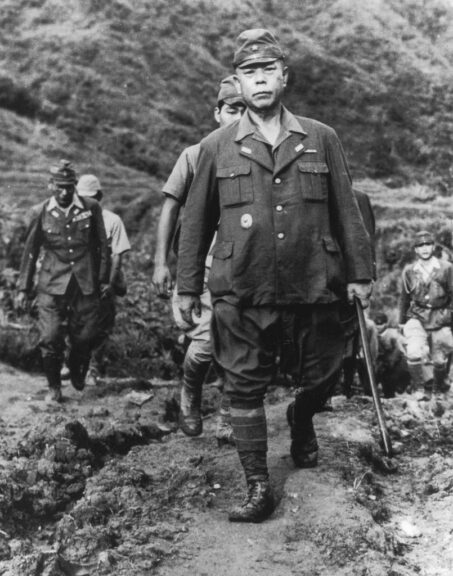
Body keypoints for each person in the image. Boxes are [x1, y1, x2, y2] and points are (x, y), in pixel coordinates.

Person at [176, 29, 373, 523]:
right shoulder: (215, 146)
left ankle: (301, 417)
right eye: (249, 73)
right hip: (242, 284)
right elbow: (196, 221)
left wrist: (360, 274)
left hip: (314, 280)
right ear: (237, 84)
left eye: (268, 71)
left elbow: (346, 209)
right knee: (241, 385)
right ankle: (257, 483)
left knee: (326, 370)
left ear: (284, 77)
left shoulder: (320, 137)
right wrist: (184, 286)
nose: (259, 80)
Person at [152, 76, 246, 443]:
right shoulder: (196, 154)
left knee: (243, 344)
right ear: (218, 113)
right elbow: (170, 207)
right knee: (207, 341)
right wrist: (161, 262)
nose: (240, 117)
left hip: (246, 266)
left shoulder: (259, 153)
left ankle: (229, 413)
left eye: (246, 109)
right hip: (204, 265)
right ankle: (190, 393)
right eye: (233, 109)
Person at [16, 160, 109, 402]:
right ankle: (54, 387)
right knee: (50, 336)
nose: (65, 192)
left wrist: (104, 279)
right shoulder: (41, 212)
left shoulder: (91, 208)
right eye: (59, 187)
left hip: (84, 282)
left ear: (76, 185)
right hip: (51, 282)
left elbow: (102, 246)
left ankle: (77, 362)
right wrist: (23, 288)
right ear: (50, 185)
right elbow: (30, 251)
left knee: (85, 337)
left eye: (69, 186)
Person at [76, 174, 131, 382]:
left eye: (92, 198)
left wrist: (110, 281)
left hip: (104, 278)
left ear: (99, 196)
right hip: (80, 279)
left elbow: (118, 254)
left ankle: (94, 368)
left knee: (102, 324)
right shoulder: (75, 219)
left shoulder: (112, 220)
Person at [399, 230, 453, 399]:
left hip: (440, 316)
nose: (424, 248)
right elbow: (404, 297)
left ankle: (438, 389)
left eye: (427, 244)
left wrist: (449, 316)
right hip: (418, 315)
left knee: (439, 359)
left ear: (433, 246)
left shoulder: (446, 268)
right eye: (420, 245)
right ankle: (419, 388)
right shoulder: (409, 271)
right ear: (415, 250)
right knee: (413, 351)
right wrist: (402, 322)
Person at [374, 312, 410, 397]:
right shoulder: (375, 335)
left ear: (385, 324)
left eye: (380, 324)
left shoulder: (393, 335)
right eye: (376, 324)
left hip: (396, 362)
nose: (378, 327)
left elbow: (399, 351)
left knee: (393, 382)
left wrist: (390, 362)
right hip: (383, 363)